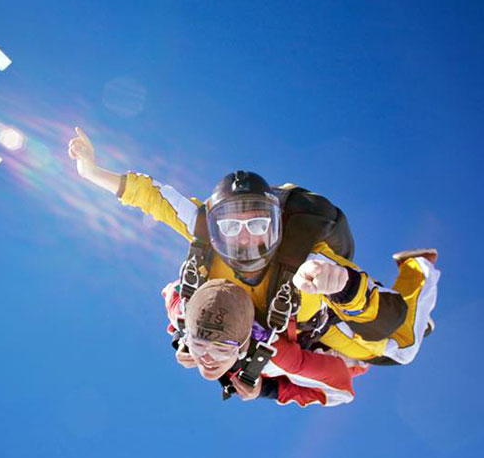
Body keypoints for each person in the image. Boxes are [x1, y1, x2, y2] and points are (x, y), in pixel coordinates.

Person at [67, 127, 439, 366]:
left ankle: (417, 269)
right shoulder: (202, 230)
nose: (244, 238)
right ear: (215, 227)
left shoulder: (306, 260)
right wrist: (90, 171)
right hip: (261, 329)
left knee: (399, 348)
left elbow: (386, 316)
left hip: (314, 320)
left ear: (277, 225)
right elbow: (151, 195)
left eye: (257, 225)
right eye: (230, 226)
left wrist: (339, 284)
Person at [169, 278, 361, 406]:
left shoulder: (275, 355)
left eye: (221, 349)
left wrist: (268, 390)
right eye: (199, 343)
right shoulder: (183, 315)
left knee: (367, 356)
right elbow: (172, 291)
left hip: (324, 337)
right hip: (269, 317)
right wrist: (180, 339)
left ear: (242, 346)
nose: (207, 358)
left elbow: (341, 388)